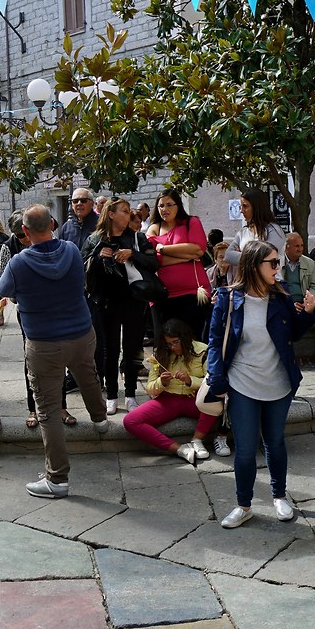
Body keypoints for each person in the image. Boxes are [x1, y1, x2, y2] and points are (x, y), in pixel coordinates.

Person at [0, 206, 107, 497]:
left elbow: (3, 289)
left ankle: (57, 480)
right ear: (53, 224)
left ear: (24, 232)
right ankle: (100, 420)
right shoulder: (71, 250)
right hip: (81, 332)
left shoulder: (19, 262)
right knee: (88, 376)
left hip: (44, 342)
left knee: (47, 410)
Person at [206, 239, 302, 528]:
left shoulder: (282, 295)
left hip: (278, 382)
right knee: (245, 449)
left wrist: (308, 313)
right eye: (272, 263)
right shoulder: (228, 298)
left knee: (275, 442)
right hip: (242, 383)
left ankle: (279, 496)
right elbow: (214, 341)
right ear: (253, 265)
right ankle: (243, 505)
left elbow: (295, 333)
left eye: (278, 262)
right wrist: (217, 377)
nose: (277, 268)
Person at [86, 199, 153, 410]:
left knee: (133, 348)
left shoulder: (136, 237)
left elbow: (154, 263)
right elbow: (83, 267)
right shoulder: (95, 239)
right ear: (111, 214)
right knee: (109, 348)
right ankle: (112, 395)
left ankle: (131, 393)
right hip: (106, 302)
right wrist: (98, 257)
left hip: (134, 300)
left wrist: (133, 254)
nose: (128, 213)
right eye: (124, 211)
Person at [123, 320, 218, 463]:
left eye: (176, 342)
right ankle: (179, 449)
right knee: (130, 421)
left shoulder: (203, 350)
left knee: (214, 401)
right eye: (169, 344)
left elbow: (212, 382)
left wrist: (190, 381)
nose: (173, 347)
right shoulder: (160, 354)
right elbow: (150, 387)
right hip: (168, 399)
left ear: (184, 338)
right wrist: (162, 382)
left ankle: (197, 440)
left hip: (195, 398)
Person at [144, 190, 210, 334]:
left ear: (178, 205)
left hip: (193, 292)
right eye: (161, 206)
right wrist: (186, 257)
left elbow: (198, 250)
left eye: (169, 205)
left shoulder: (191, 222)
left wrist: (162, 249)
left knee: (193, 340)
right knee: (165, 341)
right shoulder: (154, 228)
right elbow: (153, 261)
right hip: (162, 294)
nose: (164, 209)